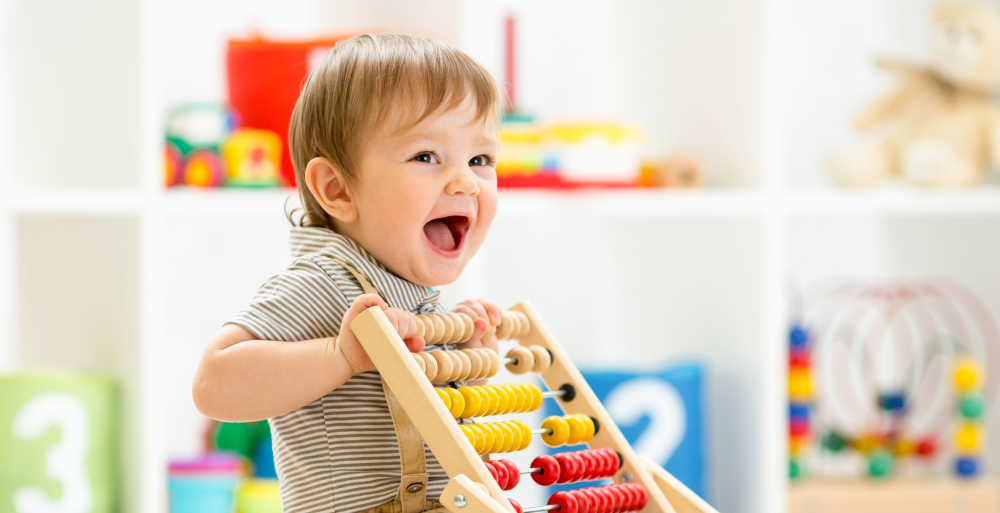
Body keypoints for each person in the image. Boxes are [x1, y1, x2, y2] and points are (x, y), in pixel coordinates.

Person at [192, 33, 505, 513]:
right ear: (337, 189)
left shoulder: (415, 296)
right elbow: (213, 386)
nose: (466, 181)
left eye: (480, 159)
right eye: (426, 157)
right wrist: (341, 354)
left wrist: (468, 370)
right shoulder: (325, 282)